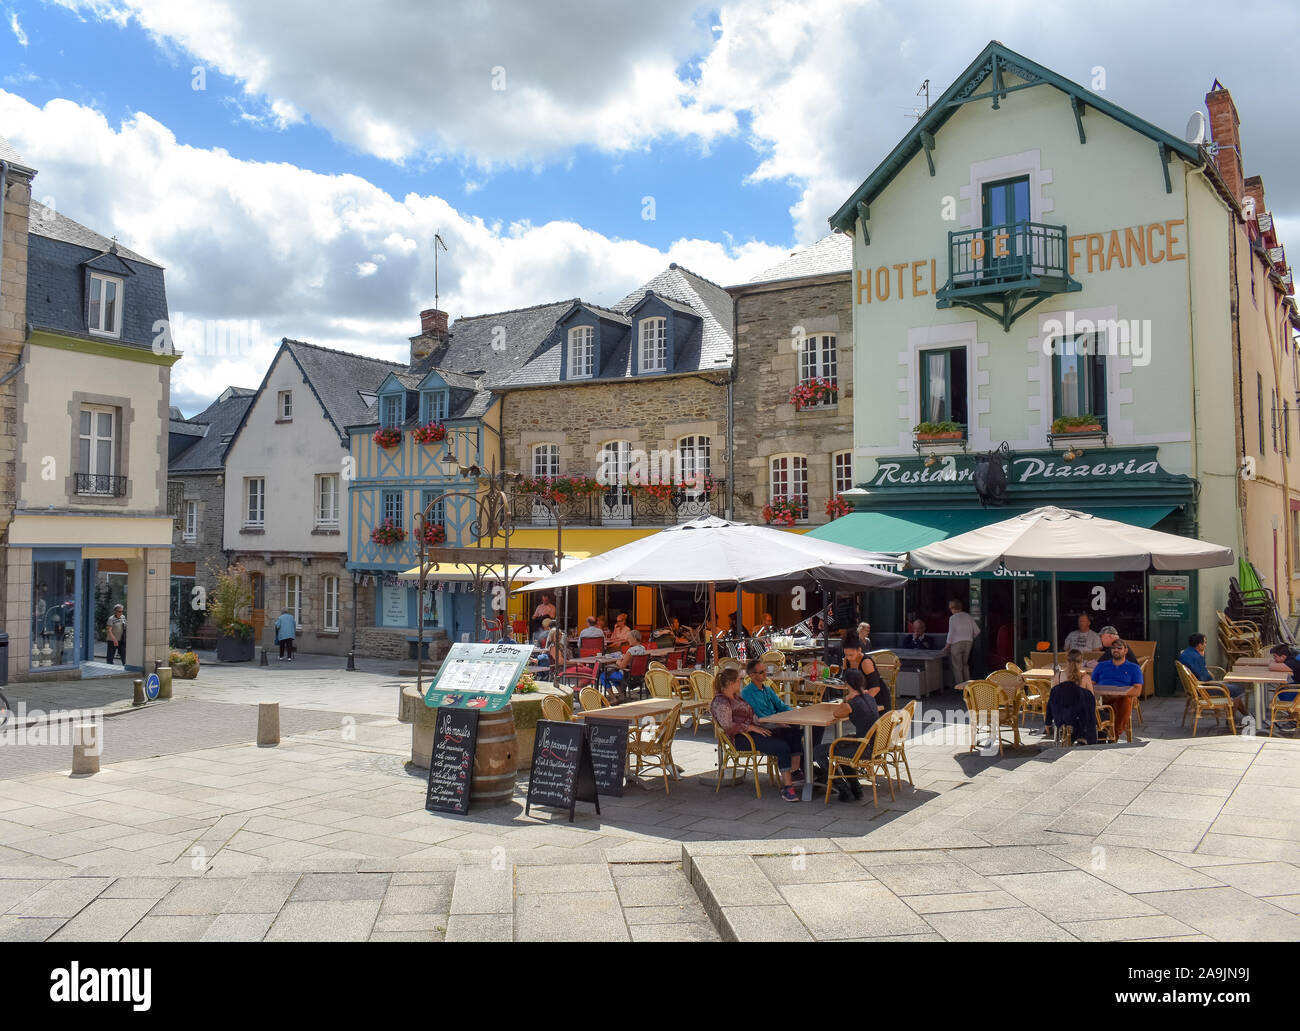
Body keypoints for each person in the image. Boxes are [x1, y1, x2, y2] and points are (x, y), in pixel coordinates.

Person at [711, 667, 802, 803]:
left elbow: (753, 717)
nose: (740, 683)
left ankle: (794, 773)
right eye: (738, 680)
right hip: (741, 738)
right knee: (782, 747)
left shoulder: (737, 697)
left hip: (753, 731)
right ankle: (788, 787)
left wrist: (774, 724)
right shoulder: (721, 702)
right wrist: (750, 727)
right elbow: (728, 726)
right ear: (731, 683)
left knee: (792, 733)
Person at [813, 669, 878, 801]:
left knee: (819, 751)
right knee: (842, 746)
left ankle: (842, 787)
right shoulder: (870, 698)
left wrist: (846, 698)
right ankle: (856, 788)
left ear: (847, 684)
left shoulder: (851, 704)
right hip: (874, 746)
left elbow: (836, 713)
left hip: (862, 749)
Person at [1180, 633, 1247, 717]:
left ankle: (1247, 716)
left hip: (1196, 687)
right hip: (1203, 689)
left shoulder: (1186, 653)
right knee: (1239, 688)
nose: (1205, 645)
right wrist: (1217, 683)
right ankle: (1231, 719)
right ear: (1199, 645)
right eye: (1204, 643)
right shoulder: (1196, 657)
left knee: (1234, 687)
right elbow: (1204, 677)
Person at [1089, 638, 1143, 738]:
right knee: (1088, 701)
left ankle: (1113, 735)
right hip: (1102, 698)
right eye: (1113, 648)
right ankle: (1098, 734)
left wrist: (1119, 693)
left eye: (1119, 648)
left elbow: (1138, 690)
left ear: (1125, 650)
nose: (1116, 650)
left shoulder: (1134, 668)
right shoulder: (1101, 666)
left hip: (1121, 697)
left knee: (1125, 701)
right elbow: (1091, 684)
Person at [1045, 649, 1098, 744]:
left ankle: (1067, 736)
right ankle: (1088, 739)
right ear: (1081, 662)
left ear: (1066, 661)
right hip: (1080, 718)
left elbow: (1053, 697)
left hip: (1061, 716)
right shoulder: (1085, 678)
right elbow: (1091, 699)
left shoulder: (1059, 676)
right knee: (1101, 714)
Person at [841, 635, 890, 712]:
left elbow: (875, 688)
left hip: (877, 697)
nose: (849, 658)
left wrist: (862, 702)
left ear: (859, 650)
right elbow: (846, 680)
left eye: (851, 655)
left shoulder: (865, 662)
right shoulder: (846, 661)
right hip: (863, 695)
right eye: (846, 655)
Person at [942, 599, 979, 684]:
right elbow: (977, 631)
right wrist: (969, 637)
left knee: (957, 666)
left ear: (952, 608)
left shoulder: (952, 618)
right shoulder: (968, 616)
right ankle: (968, 684)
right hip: (968, 642)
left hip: (956, 643)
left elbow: (951, 633)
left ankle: (960, 687)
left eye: (950, 608)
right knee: (965, 664)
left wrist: (947, 646)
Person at [602, 629, 647, 700]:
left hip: (627, 677)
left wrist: (618, 661)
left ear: (634, 639)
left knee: (603, 675)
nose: (627, 639)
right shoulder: (643, 648)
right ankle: (622, 695)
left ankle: (613, 698)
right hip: (639, 677)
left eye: (629, 638)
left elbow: (622, 666)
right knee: (611, 673)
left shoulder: (630, 651)